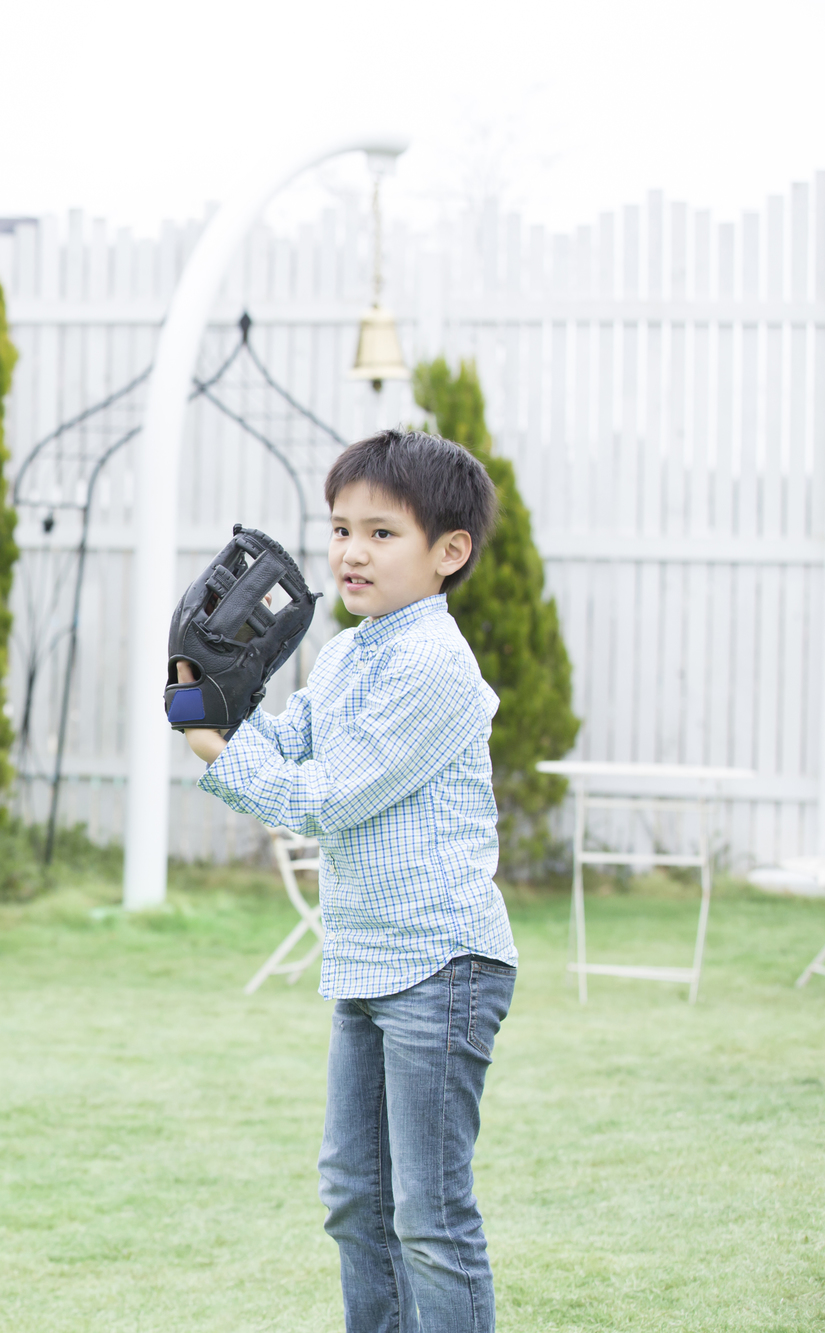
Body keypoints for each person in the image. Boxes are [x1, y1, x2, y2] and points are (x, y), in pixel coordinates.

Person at [180, 429, 517, 1333]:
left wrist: (213, 744)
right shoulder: (350, 653)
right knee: (354, 1197)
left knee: (430, 1217)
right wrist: (198, 700)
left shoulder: (435, 665)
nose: (350, 552)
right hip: (370, 958)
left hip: (442, 966)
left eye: (380, 533)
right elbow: (287, 745)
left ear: (450, 553)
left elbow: (323, 796)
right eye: (340, 529)